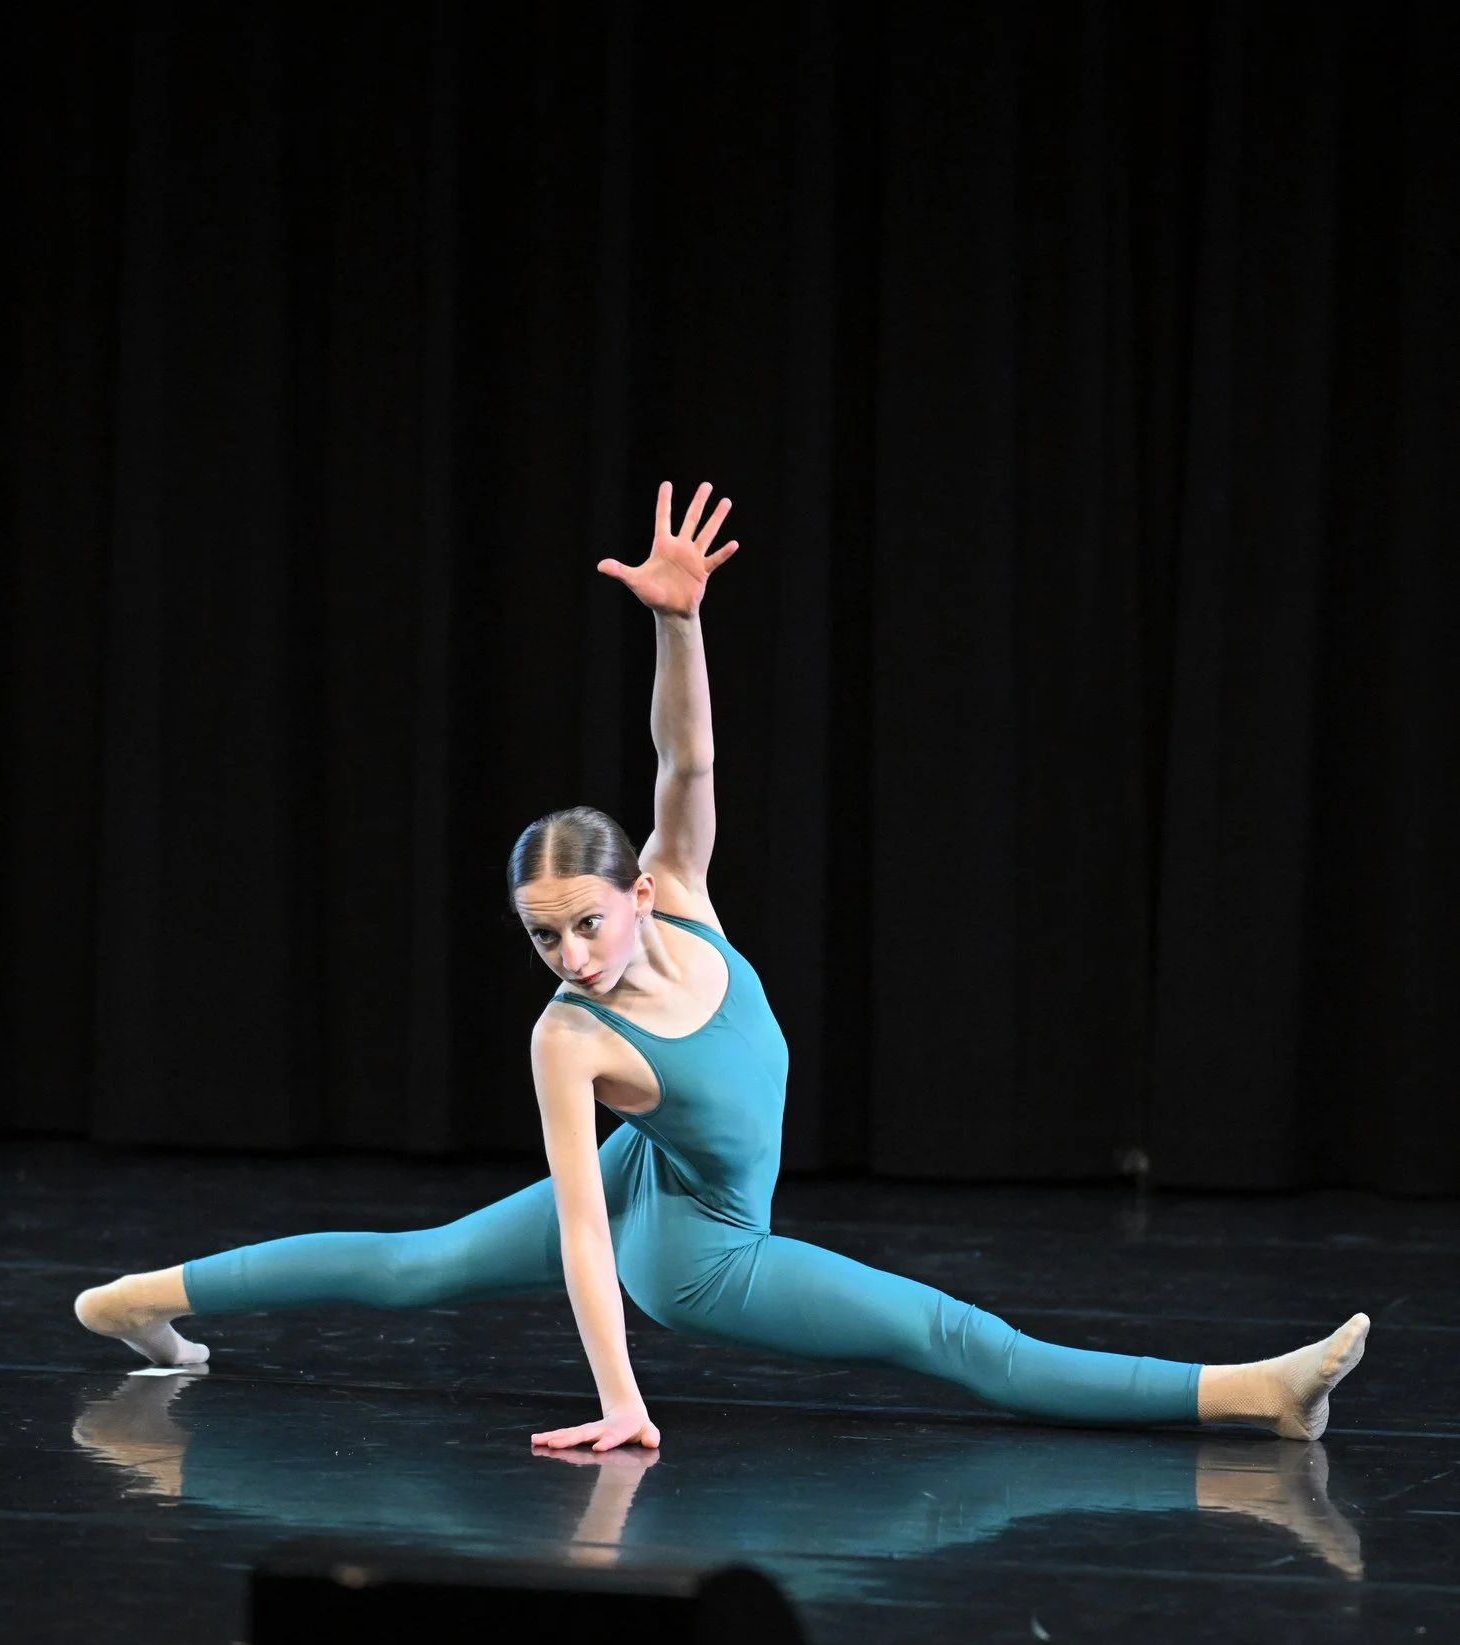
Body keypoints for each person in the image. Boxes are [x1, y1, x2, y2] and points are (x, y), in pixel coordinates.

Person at [76, 480, 1370, 1454]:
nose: (570, 956)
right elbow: (583, 1238)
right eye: (543, 937)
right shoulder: (569, 1037)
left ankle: (129, 1301)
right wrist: (623, 1400)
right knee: (948, 1334)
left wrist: (680, 624)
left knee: (411, 1266)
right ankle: (1251, 1394)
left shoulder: (683, 889)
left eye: (587, 924)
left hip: (665, 1177)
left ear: (639, 892)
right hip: (697, 1253)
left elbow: (684, 759)